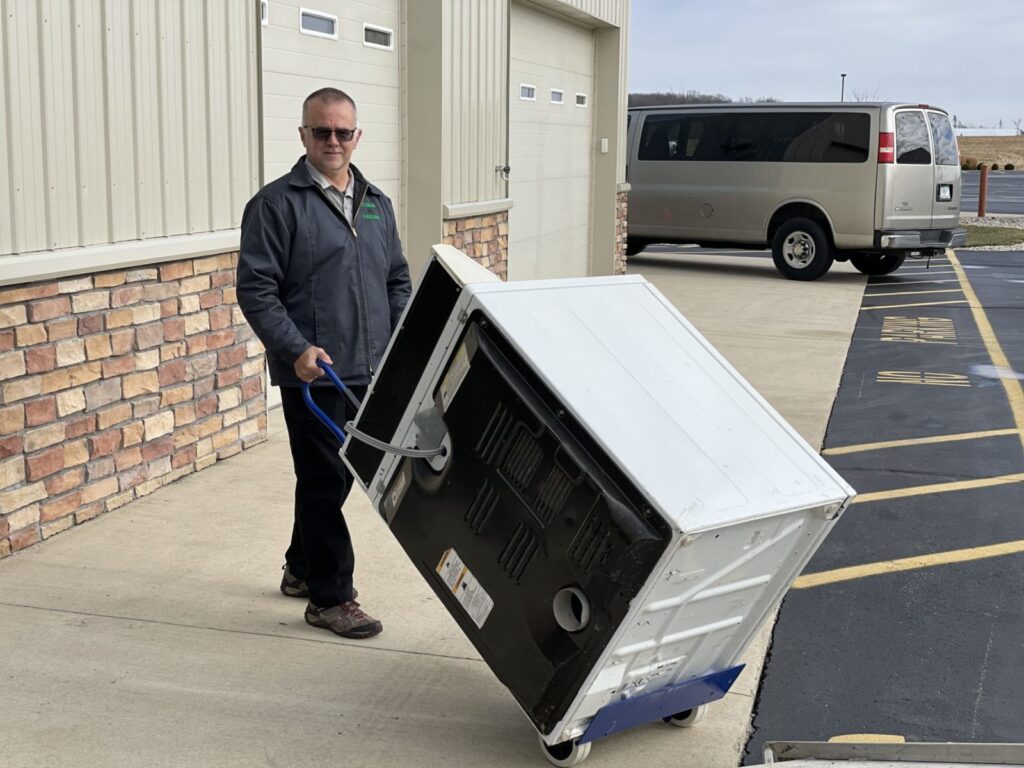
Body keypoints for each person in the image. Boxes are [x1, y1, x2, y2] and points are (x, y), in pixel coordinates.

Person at [237, 87, 411, 639]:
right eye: (322, 131)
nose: (333, 141)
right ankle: (331, 597)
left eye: (343, 132)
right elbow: (257, 288)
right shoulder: (275, 204)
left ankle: (300, 566)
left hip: (370, 367)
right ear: (304, 135)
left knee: (336, 478)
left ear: (357, 136)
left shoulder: (377, 202)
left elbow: (397, 280)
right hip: (314, 371)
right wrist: (295, 349)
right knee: (322, 477)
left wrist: (402, 341)